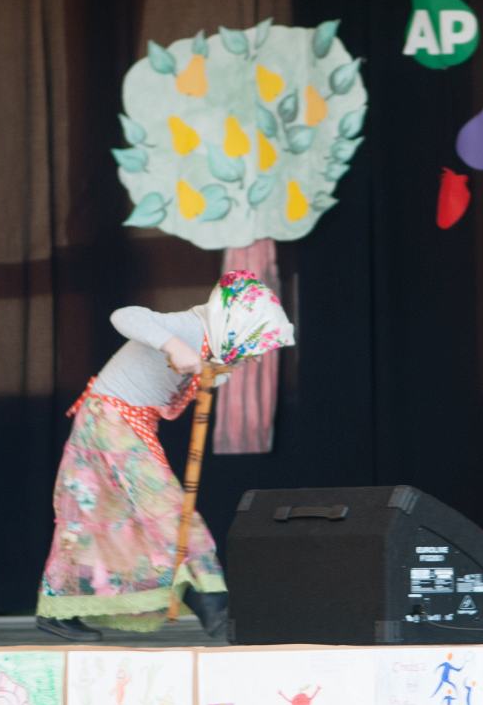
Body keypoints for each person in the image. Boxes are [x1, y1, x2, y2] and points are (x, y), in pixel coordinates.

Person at [36, 270, 294, 641]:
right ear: (236, 325)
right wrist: (173, 345)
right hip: (110, 420)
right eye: (254, 344)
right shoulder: (189, 328)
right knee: (166, 508)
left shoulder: (210, 345)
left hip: (121, 422)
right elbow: (125, 315)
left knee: (98, 517)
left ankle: (60, 609)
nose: (255, 358)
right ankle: (211, 602)